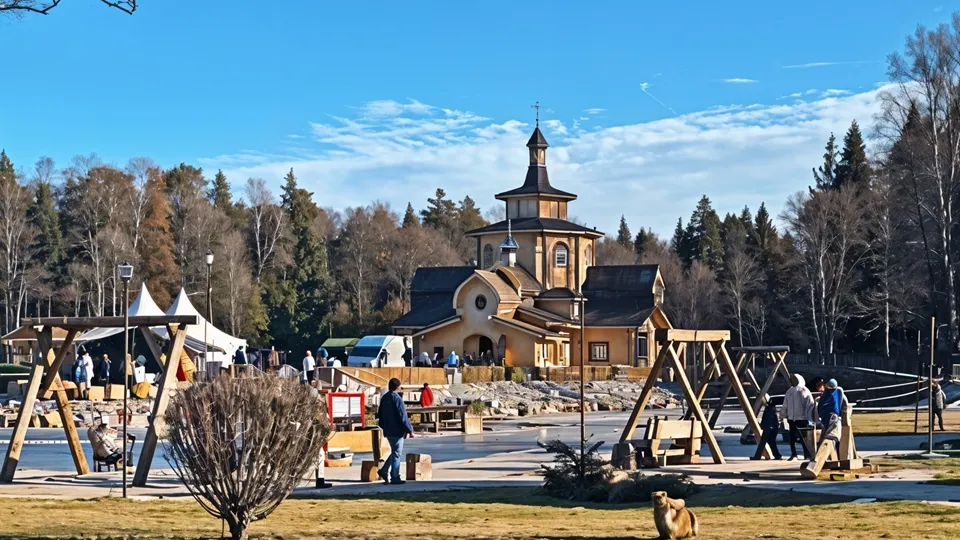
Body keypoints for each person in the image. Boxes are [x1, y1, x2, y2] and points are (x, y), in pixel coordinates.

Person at [377, 378, 414, 485]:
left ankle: (384, 470)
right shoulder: (397, 399)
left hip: (388, 430)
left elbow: (380, 415)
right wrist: (409, 430)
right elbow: (403, 417)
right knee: (397, 454)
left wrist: (384, 427)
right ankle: (395, 477)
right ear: (398, 387)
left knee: (394, 452)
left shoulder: (384, 398)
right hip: (397, 431)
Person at [781, 374, 815, 460]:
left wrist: (807, 415)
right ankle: (794, 454)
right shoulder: (790, 391)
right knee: (793, 438)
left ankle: (806, 455)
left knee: (803, 438)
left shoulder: (804, 390)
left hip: (801, 418)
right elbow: (785, 404)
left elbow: (810, 403)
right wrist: (784, 414)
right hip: (792, 418)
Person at [751, 395, 783, 460]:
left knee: (763, 442)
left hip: (769, 428)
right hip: (772, 428)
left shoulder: (769, 409)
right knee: (771, 442)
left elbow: (768, 420)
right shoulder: (771, 408)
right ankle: (777, 455)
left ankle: (757, 456)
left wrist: (763, 426)